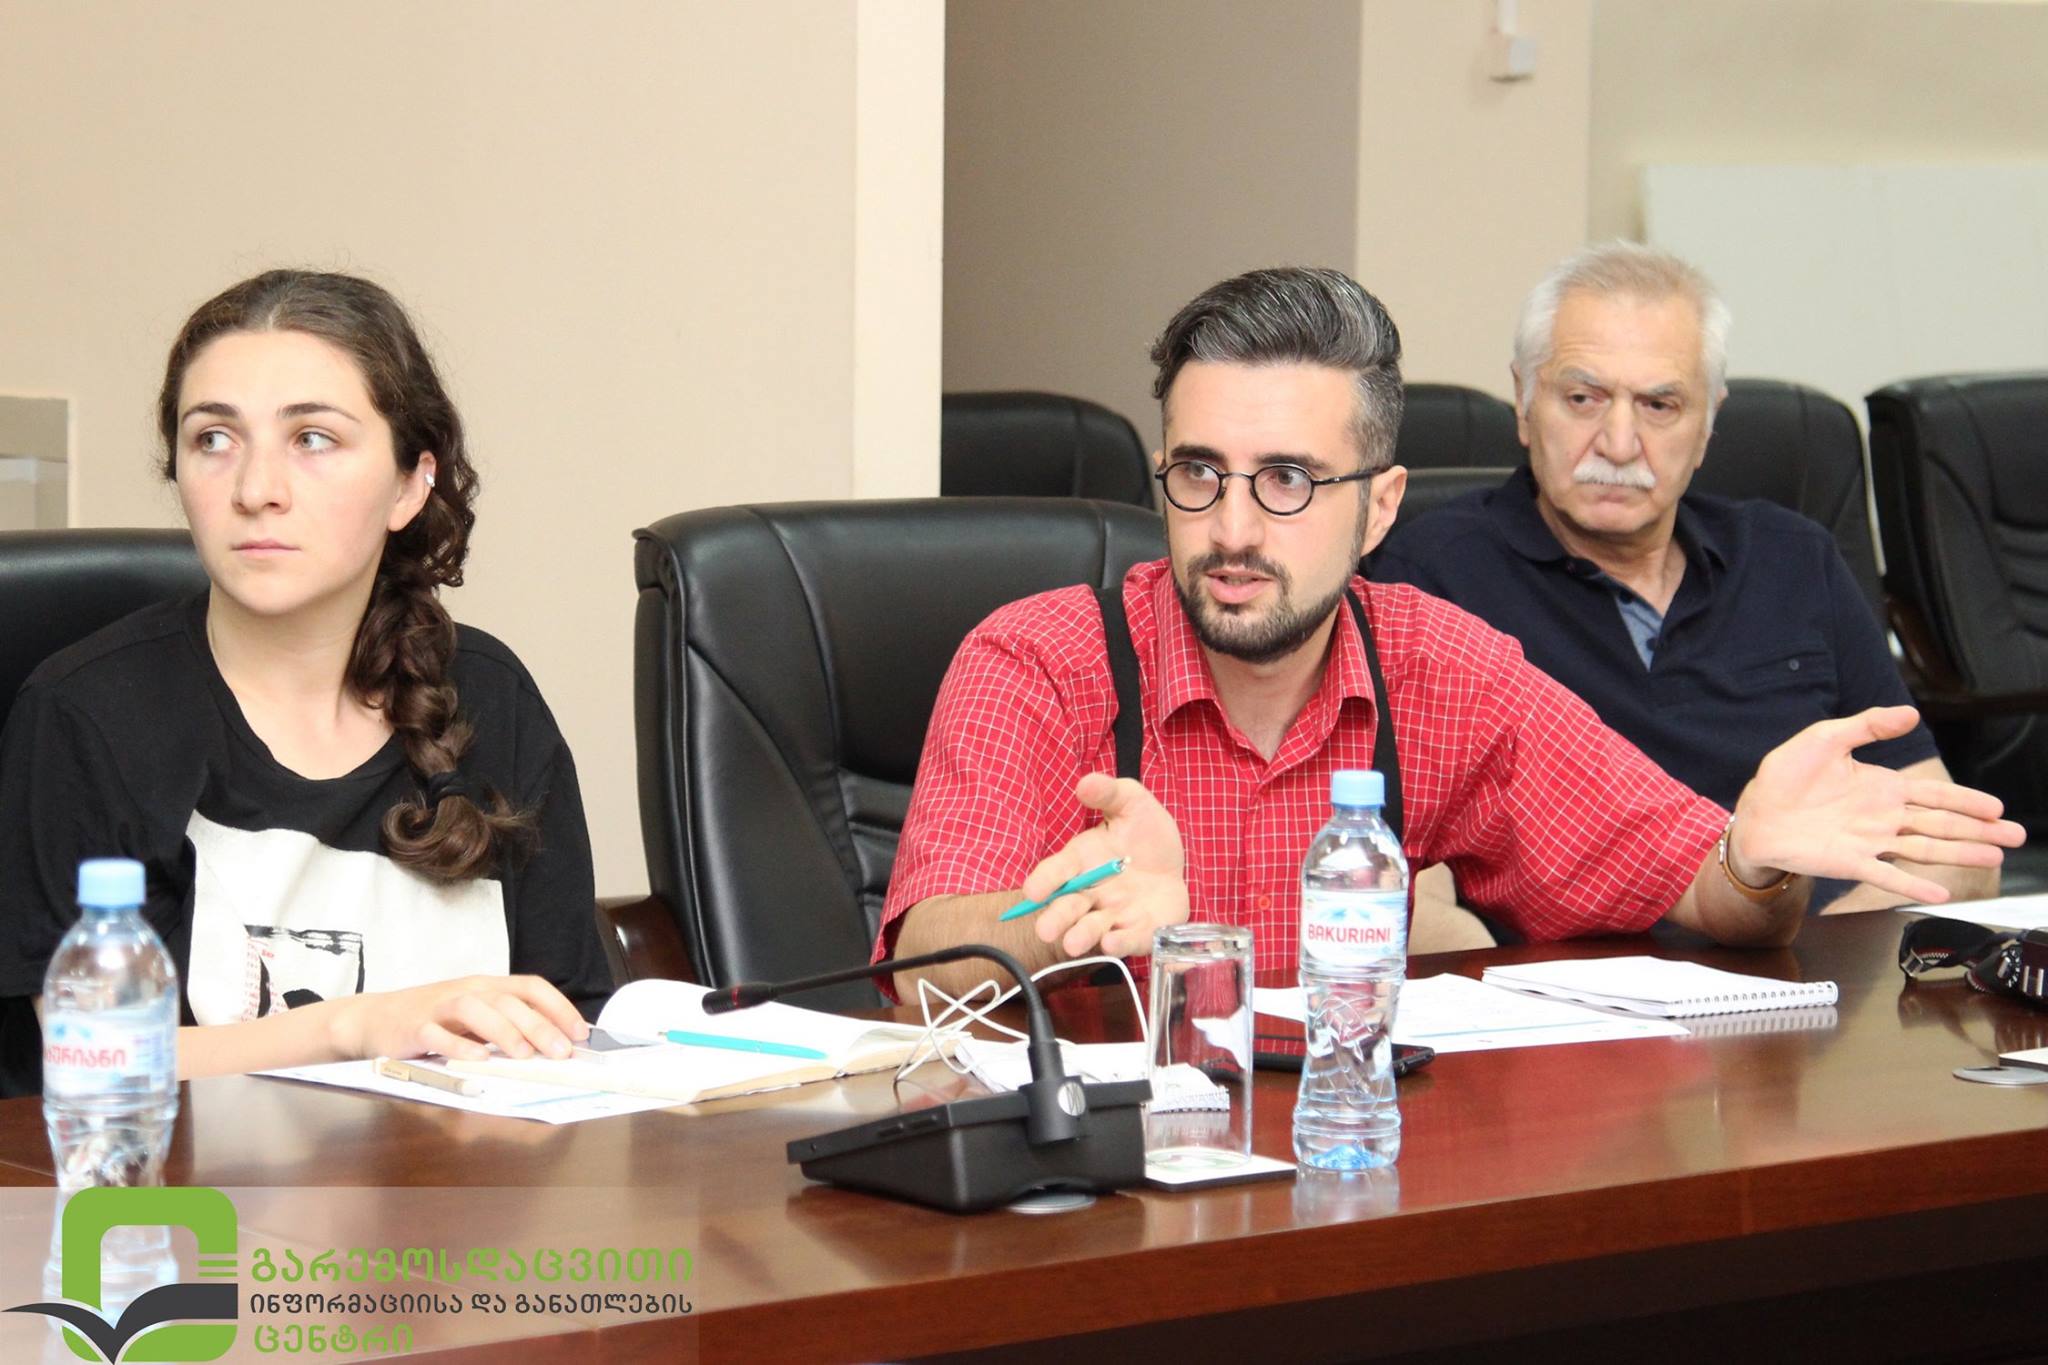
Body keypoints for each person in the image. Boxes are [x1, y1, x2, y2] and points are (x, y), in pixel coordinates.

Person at [874, 266, 2022, 1000]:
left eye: (1288, 481)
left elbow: (1706, 895)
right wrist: (1065, 925)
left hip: (1354, 1171)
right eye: (1197, 474)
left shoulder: (1437, 665)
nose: (1231, 529)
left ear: (1378, 507)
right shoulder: (1041, 660)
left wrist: (1751, 859)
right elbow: (920, 966)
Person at [0, 270, 605, 1096]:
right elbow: (86, 1061)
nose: (256, 490)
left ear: (409, 483)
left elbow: (567, 1021)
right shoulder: (86, 715)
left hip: (461, 1173)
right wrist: (350, 1027)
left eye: (313, 438)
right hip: (180, 1178)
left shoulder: (490, 698)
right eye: (214, 438)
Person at [1373, 242, 1987, 915]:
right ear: (1524, 401)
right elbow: (1402, 876)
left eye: (1660, 405)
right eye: (1582, 398)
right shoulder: (1429, 578)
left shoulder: (1794, 557)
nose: (1618, 443)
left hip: (1813, 949)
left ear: (1708, 424)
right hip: (1575, 974)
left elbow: (1955, 845)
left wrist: (1817, 956)